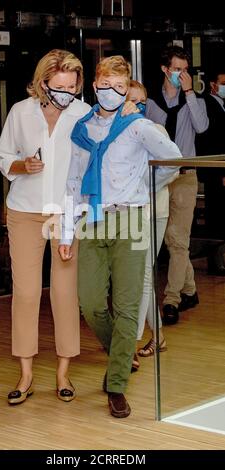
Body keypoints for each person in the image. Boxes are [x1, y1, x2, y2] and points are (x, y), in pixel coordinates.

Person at [59, 55, 182, 418]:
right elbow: (72, 183)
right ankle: (121, 355)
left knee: (128, 307)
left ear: (127, 89)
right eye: (104, 84)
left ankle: (116, 385)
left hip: (131, 220)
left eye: (118, 86)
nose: (110, 92)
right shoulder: (82, 128)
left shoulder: (137, 125)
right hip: (92, 220)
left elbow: (172, 161)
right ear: (94, 84)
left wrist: (142, 189)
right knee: (91, 302)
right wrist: (66, 232)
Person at [0, 49, 92, 405]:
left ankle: (63, 372)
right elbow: (3, 155)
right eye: (59, 86)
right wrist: (22, 166)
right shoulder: (21, 112)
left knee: (65, 294)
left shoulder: (84, 115)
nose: (65, 93)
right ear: (43, 83)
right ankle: (26, 373)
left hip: (66, 215)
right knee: (27, 293)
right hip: (25, 211)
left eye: (72, 86)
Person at [146, 45, 209, 325]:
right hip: (158, 176)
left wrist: (189, 93)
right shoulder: (149, 102)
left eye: (185, 70)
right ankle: (190, 290)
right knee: (171, 239)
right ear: (164, 69)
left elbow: (202, 126)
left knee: (177, 237)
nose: (181, 75)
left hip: (185, 175)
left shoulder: (193, 100)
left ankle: (171, 299)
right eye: (176, 70)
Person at [127, 80, 172, 358]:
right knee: (134, 276)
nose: (138, 105)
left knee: (142, 274)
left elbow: (172, 168)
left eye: (142, 100)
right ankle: (159, 336)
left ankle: (130, 342)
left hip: (154, 212)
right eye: (133, 100)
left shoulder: (156, 131)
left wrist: (143, 186)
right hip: (129, 214)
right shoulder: (115, 133)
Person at [195, 68, 225, 241]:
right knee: (216, 210)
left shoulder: (220, 104)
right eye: (223, 84)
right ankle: (215, 252)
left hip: (218, 167)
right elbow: (213, 140)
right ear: (213, 85)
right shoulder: (207, 103)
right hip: (214, 166)